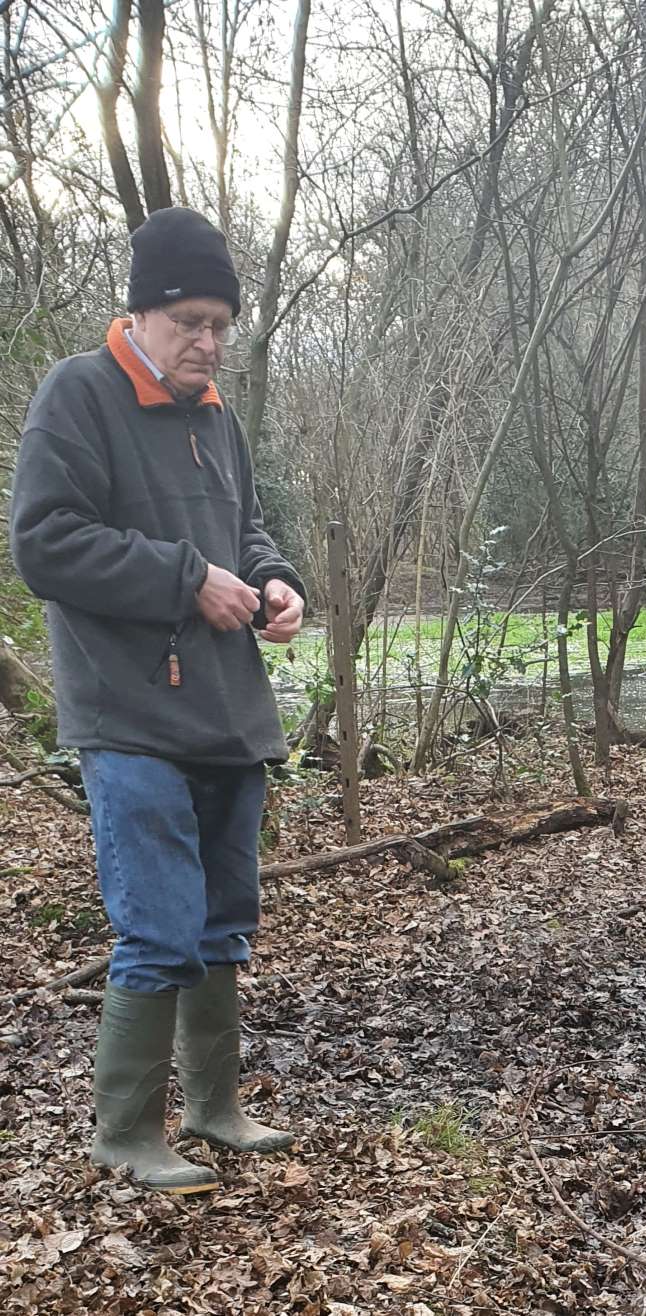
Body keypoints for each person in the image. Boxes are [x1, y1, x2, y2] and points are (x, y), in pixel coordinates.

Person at [10, 207, 306, 1195]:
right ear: (142, 312)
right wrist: (187, 577)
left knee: (225, 918)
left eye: (221, 322)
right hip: (128, 715)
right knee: (159, 922)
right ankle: (127, 1127)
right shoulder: (78, 396)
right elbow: (44, 544)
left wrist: (271, 581)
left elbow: (248, 530)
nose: (208, 341)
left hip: (226, 712)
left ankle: (215, 1108)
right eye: (189, 319)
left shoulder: (217, 416)